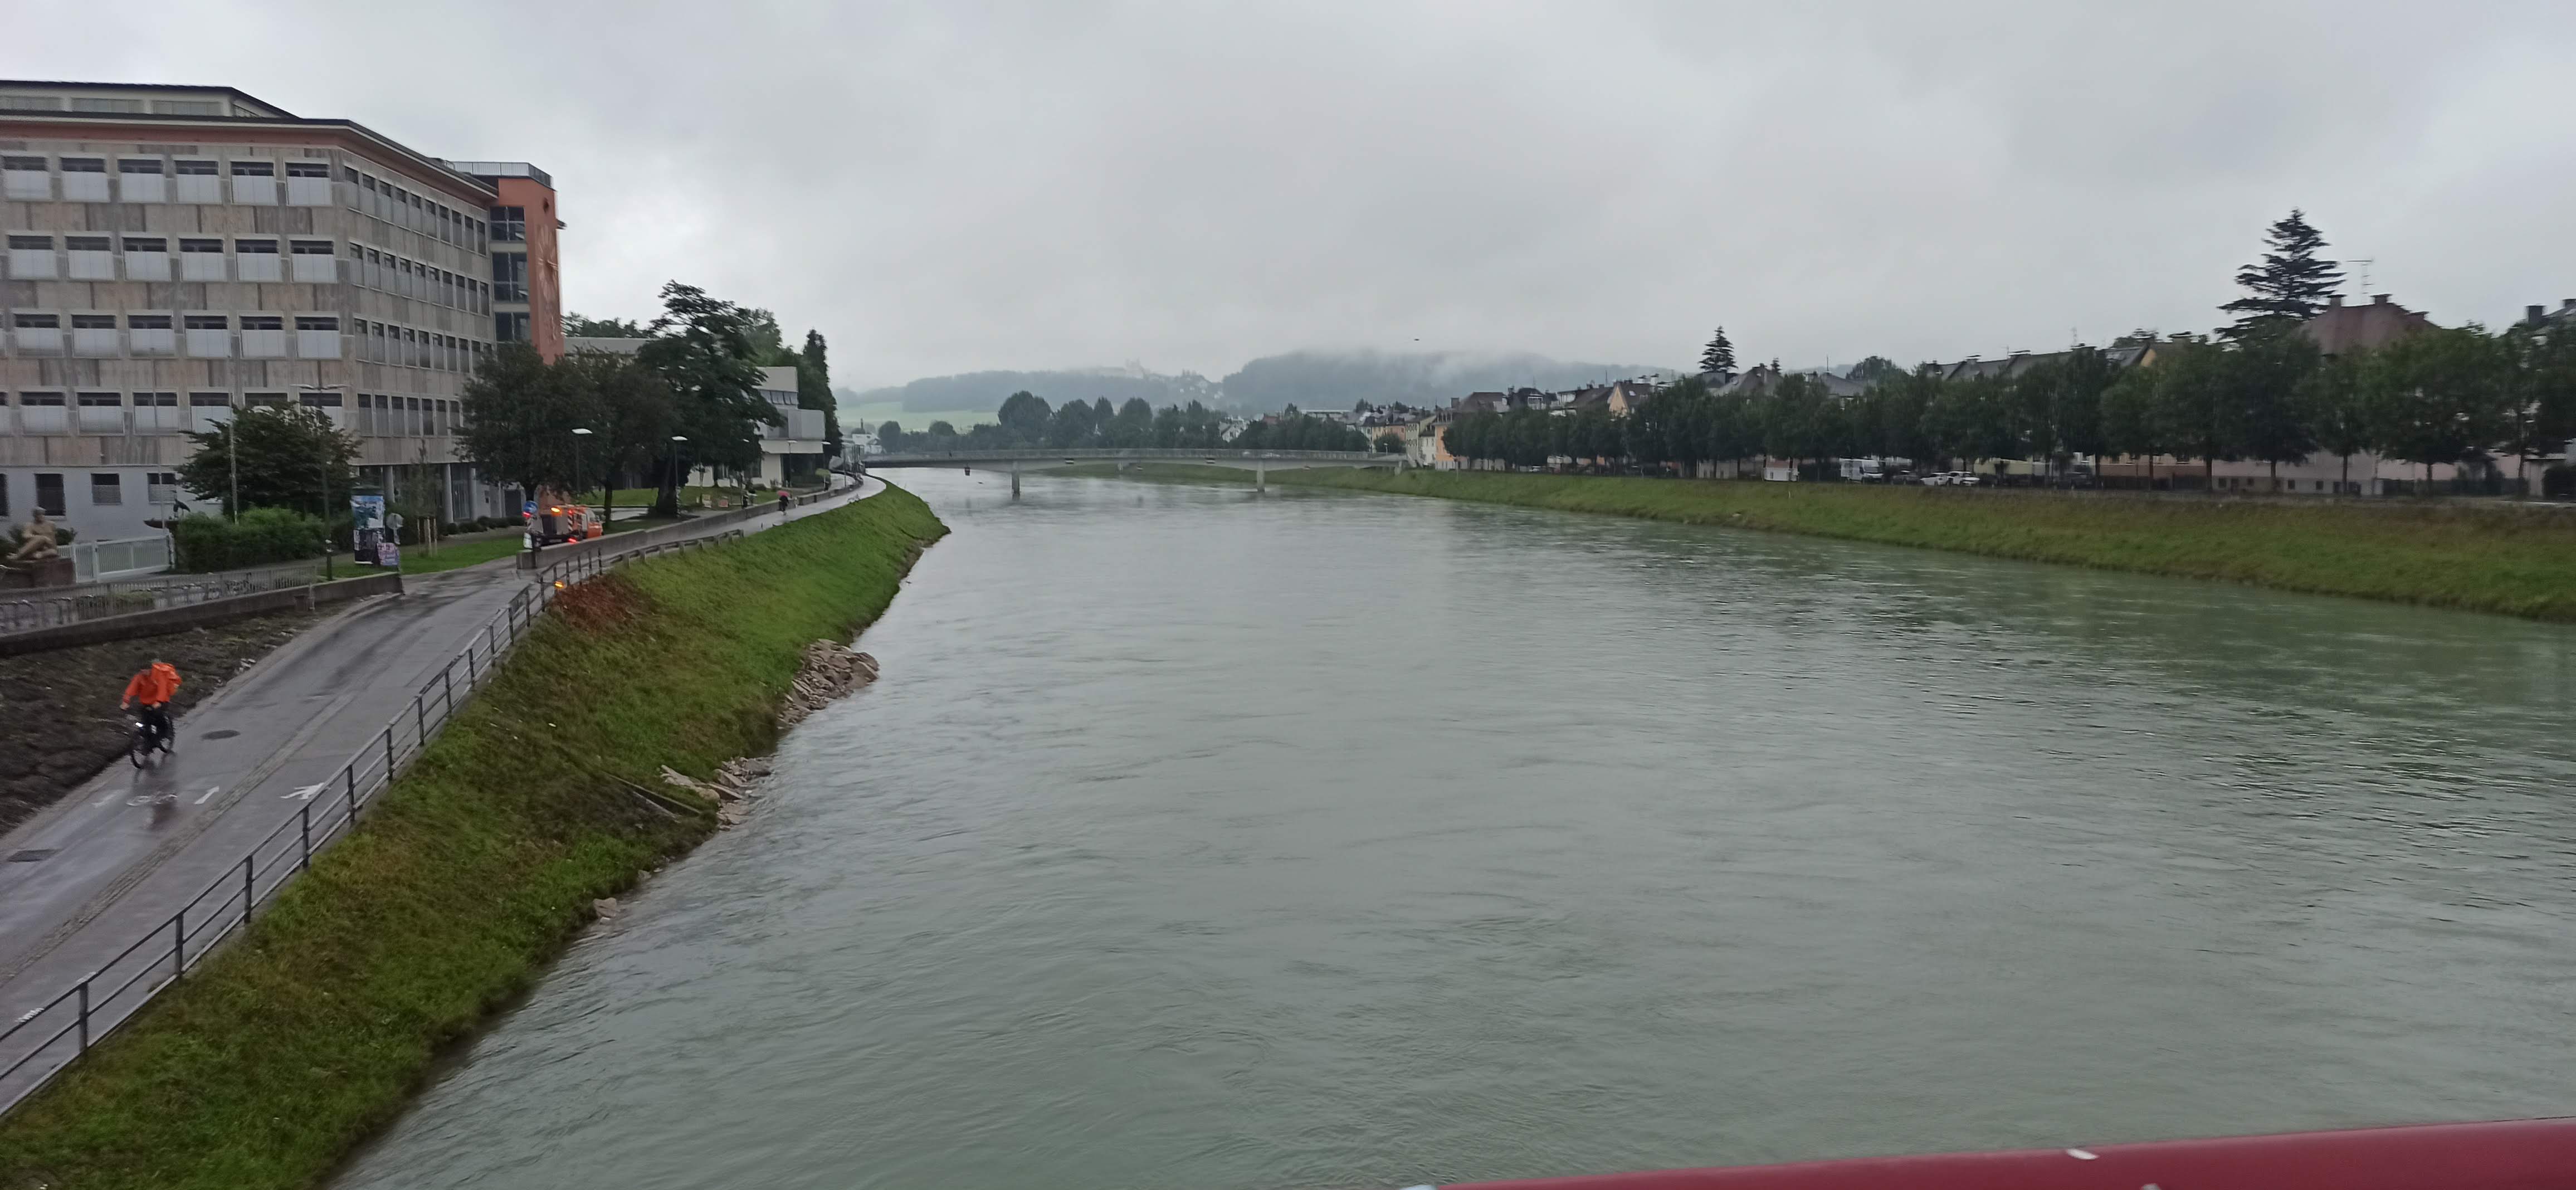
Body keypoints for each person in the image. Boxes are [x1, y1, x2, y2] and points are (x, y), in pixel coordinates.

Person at [122, 659, 182, 753]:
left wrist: (159, 701)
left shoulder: (158, 675)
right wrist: (126, 701)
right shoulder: (139, 677)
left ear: (150, 669)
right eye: (142, 671)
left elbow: (163, 689)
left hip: (161, 700)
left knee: (159, 717)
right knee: (145, 723)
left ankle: (164, 733)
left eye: (145, 671)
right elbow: (131, 689)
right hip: (146, 702)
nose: (144, 673)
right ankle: (148, 744)